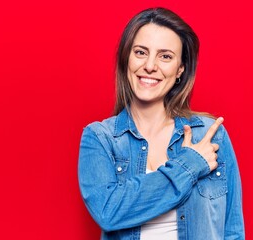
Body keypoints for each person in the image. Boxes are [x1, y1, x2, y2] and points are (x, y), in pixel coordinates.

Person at [78, 7, 244, 240]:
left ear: (180, 70)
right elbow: (108, 212)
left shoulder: (210, 135)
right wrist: (190, 164)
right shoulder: (100, 138)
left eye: (165, 56)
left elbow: (232, 230)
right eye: (140, 52)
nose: (150, 66)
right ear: (126, 58)